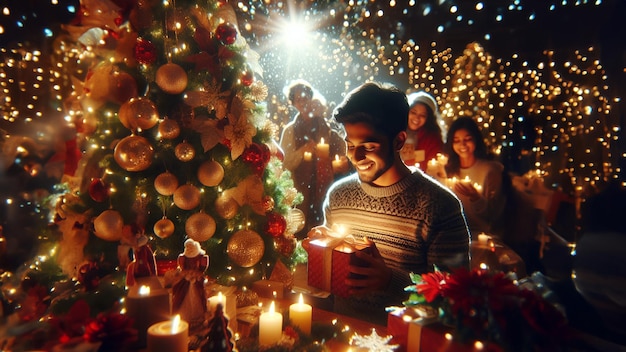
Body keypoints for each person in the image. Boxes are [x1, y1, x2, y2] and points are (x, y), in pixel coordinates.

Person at [307, 82, 470, 325]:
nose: (356, 157)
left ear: (398, 141)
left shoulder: (439, 206)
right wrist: (323, 249)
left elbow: (456, 298)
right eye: (350, 145)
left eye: (369, 146)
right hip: (342, 334)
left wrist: (391, 282)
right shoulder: (339, 196)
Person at [280, 80, 347, 237]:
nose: (303, 102)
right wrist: (303, 150)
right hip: (300, 189)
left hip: (324, 187)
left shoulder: (324, 126)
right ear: (293, 103)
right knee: (301, 232)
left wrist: (336, 163)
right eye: (298, 99)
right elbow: (285, 162)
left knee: (322, 231)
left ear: (311, 98)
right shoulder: (290, 131)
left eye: (305, 98)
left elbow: (341, 149)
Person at [443, 117, 506, 240]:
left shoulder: (490, 171)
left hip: (482, 236)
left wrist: (476, 198)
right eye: (457, 140)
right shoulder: (447, 171)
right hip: (453, 234)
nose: (462, 145)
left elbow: (494, 215)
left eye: (468, 139)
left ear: (476, 140)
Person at [400, 91, 444, 171]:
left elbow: (433, 169)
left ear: (428, 118)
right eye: (413, 112)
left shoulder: (432, 140)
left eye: (422, 115)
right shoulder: (395, 130)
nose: (417, 118)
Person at [172, 239, 209, 327]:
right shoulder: (183, 257)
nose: (189, 249)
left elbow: (202, 269)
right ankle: (184, 315)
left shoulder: (202, 257)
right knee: (183, 294)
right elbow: (182, 268)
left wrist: (197, 274)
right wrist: (186, 274)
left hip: (196, 279)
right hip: (186, 279)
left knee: (199, 295)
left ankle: (198, 315)